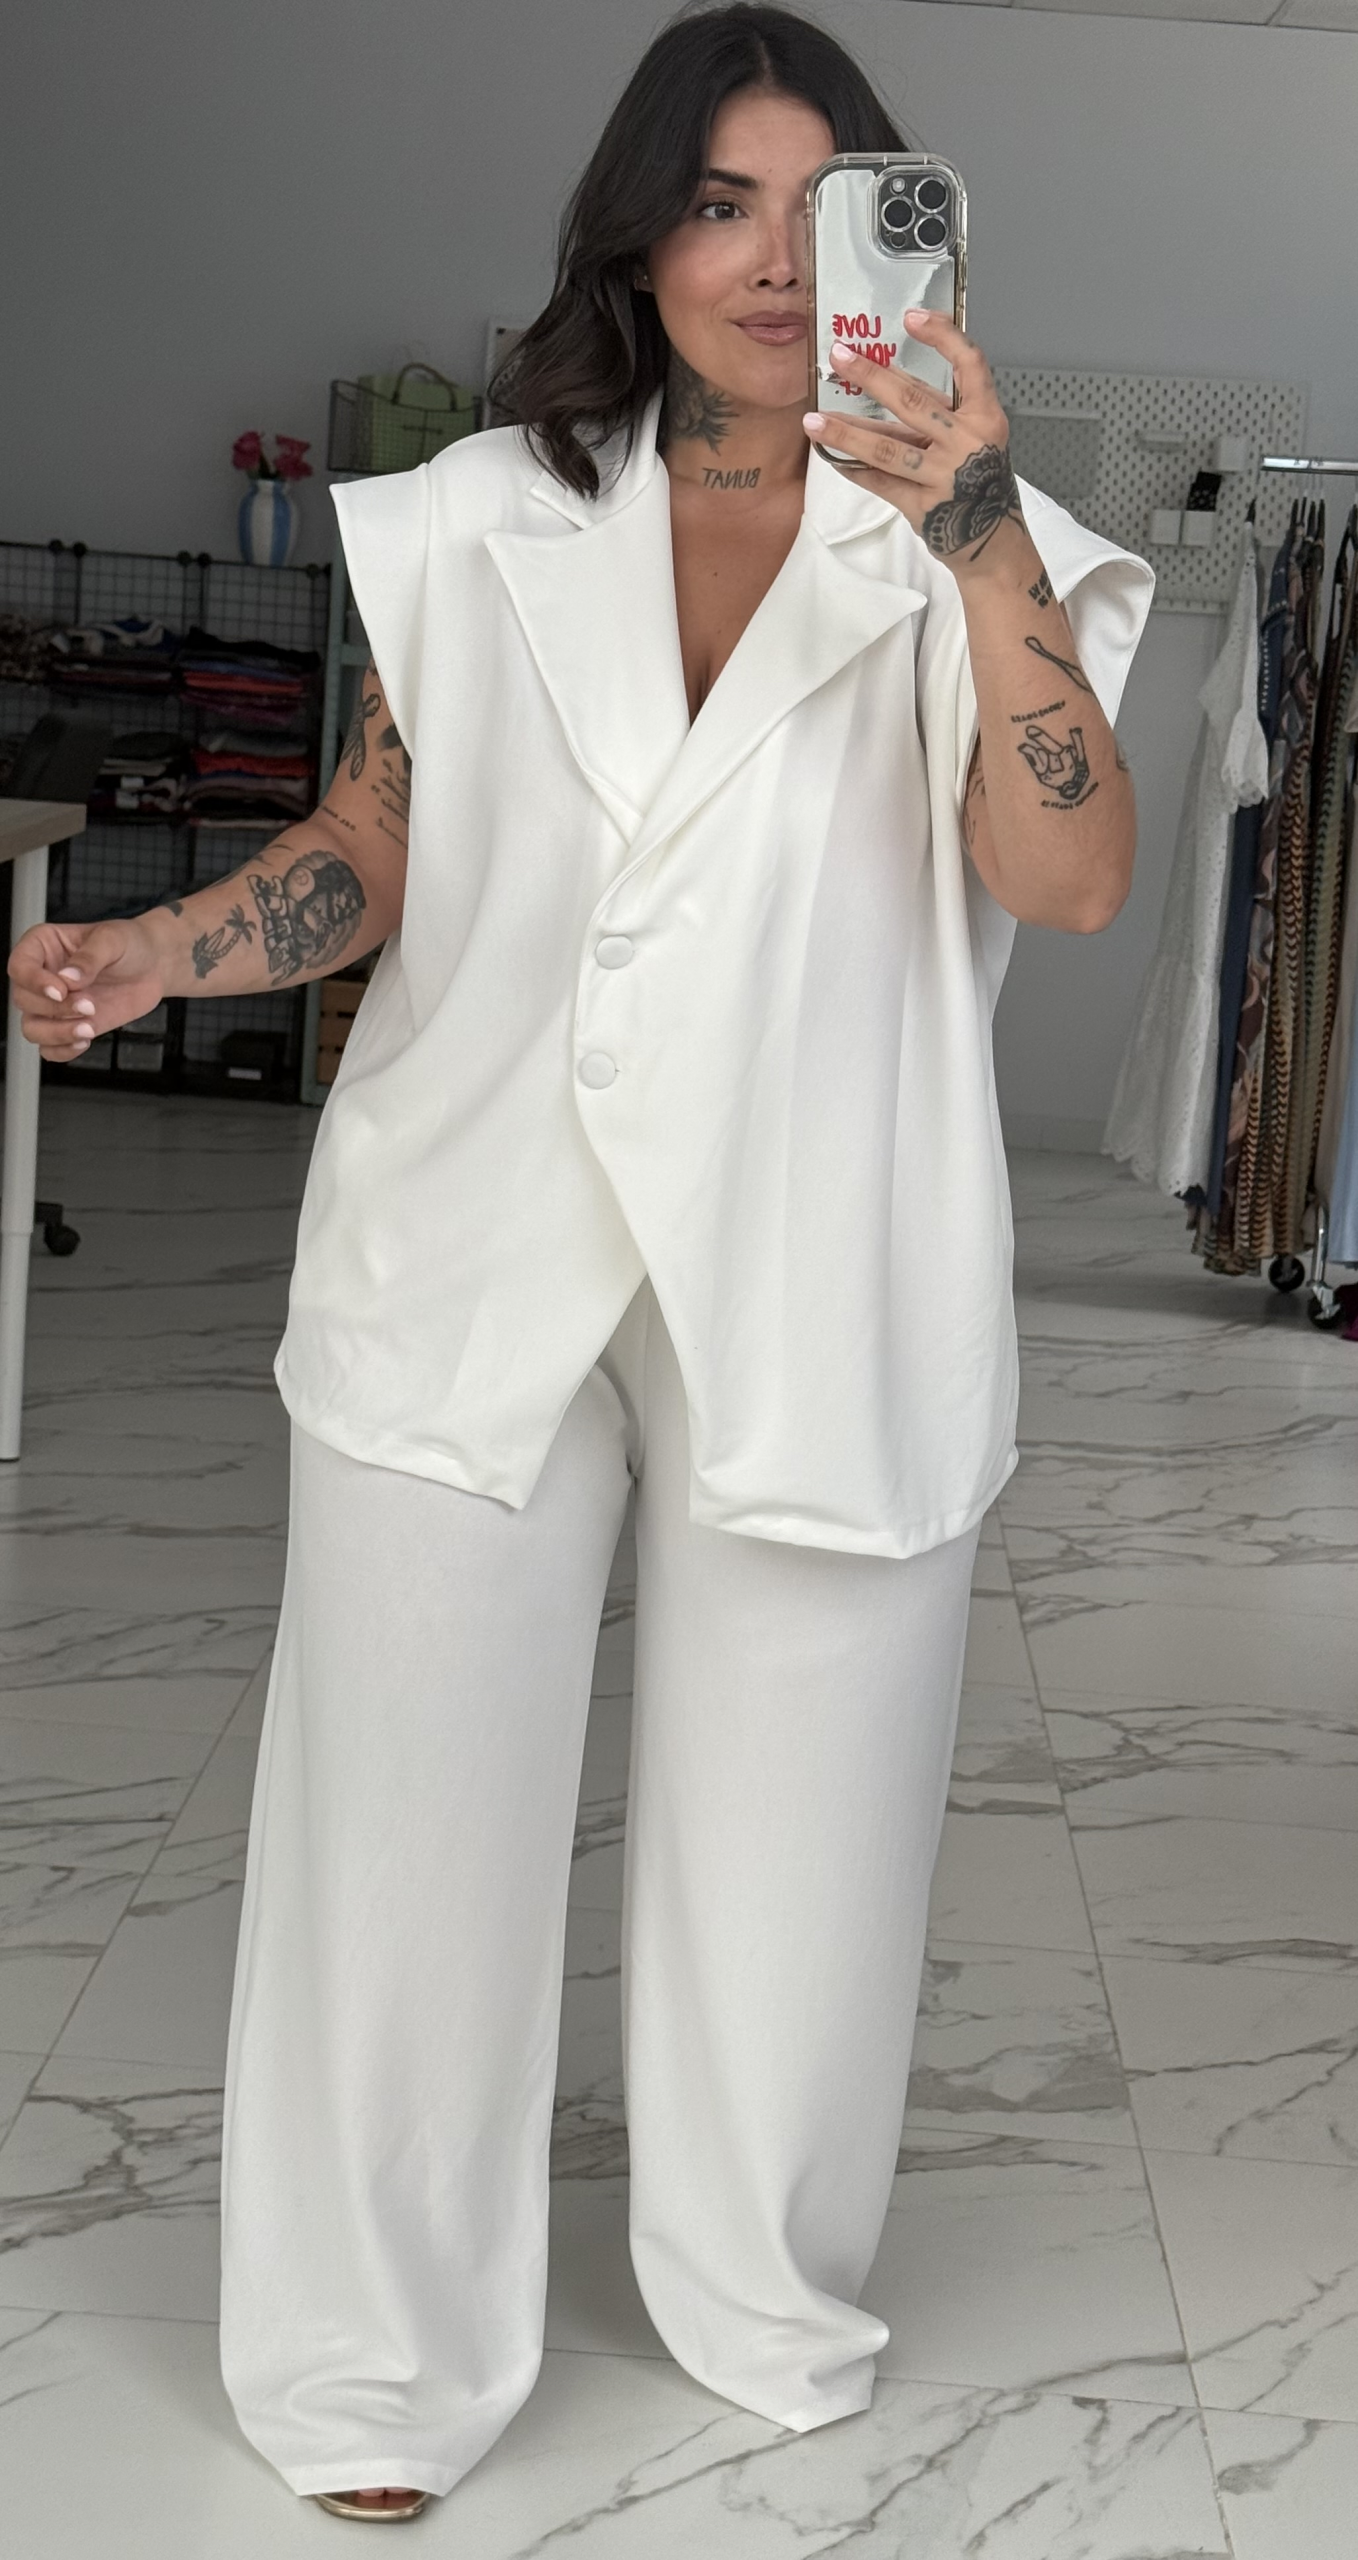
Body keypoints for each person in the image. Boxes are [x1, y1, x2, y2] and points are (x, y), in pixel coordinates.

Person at [9, 3, 1152, 2525]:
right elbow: (377, 837)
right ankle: (371, 2361)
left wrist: (973, 531)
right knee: (401, 1820)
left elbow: (1066, 873)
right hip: (478, 1217)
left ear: (911, 236)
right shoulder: (485, 512)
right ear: (634, 237)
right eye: (719, 202)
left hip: (819, 1246)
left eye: (827, 205)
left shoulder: (993, 548)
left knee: (806, 1837)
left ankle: (760, 2290)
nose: (773, 257)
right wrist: (178, 943)